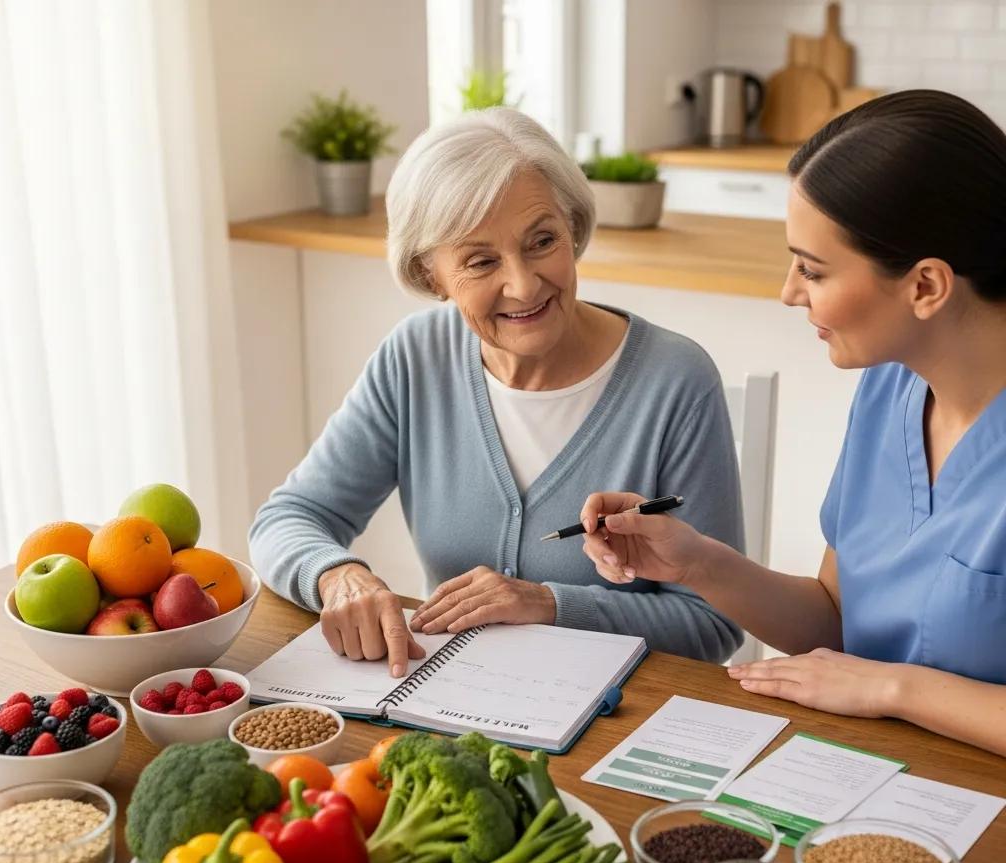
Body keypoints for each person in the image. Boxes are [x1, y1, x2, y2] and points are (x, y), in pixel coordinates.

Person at [581, 90, 1006, 757]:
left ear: (925, 285)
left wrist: (893, 689)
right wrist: (696, 562)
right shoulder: (888, 387)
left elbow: (868, 673)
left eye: (812, 269)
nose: (788, 291)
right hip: (865, 770)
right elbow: (838, 621)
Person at [249, 107, 744, 678]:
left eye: (542, 241)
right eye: (482, 261)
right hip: (445, 705)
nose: (524, 283)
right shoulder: (417, 356)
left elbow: (712, 624)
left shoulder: (676, 379)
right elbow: (291, 517)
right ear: (431, 274)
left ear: (572, 227)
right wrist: (338, 576)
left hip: (611, 718)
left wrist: (549, 604)